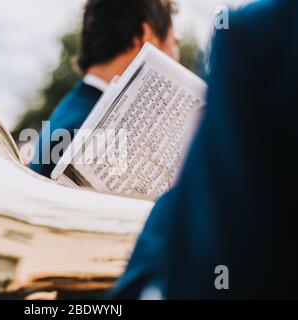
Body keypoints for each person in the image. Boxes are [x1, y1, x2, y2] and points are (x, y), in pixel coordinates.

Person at [112, 0, 298, 299]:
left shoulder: (260, 33)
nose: (175, 51)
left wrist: (190, 180)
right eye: (174, 41)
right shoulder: (260, 35)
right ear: (146, 35)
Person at [30, 0, 178, 177]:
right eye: (174, 41)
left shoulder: (73, 112)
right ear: (145, 37)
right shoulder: (92, 131)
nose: (176, 56)